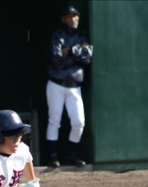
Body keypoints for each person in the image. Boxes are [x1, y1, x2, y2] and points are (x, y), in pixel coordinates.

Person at [46, 5, 93, 168]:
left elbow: (87, 57)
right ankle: (52, 157)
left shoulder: (82, 36)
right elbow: (56, 59)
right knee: (54, 120)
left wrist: (70, 52)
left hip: (74, 85)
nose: (73, 19)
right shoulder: (58, 36)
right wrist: (77, 55)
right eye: (69, 16)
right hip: (56, 83)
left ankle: (71, 155)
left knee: (79, 122)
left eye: (75, 16)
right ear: (63, 19)